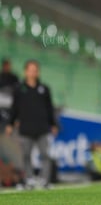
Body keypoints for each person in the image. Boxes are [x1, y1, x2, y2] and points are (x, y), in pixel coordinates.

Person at [5, 59, 58, 189]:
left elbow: (49, 108)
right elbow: (14, 108)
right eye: (30, 70)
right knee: (25, 155)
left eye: (35, 70)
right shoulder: (19, 89)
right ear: (26, 72)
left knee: (45, 155)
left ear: (38, 72)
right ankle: (29, 179)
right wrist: (10, 124)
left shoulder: (44, 89)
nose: (33, 72)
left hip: (42, 128)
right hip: (25, 127)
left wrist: (53, 124)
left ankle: (44, 180)